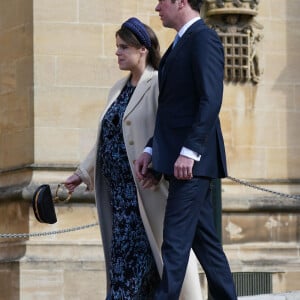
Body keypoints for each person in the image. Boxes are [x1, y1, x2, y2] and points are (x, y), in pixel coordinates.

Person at [64, 17, 203, 300]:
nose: (117, 53)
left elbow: (169, 131)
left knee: (140, 271)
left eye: (123, 47)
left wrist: (158, 165)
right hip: (118, 198)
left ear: (143, 49)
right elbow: (106, 139)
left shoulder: (158, 83)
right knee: (128, 269)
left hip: (146, 193)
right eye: (117, 47)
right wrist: (82, 173)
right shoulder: (116, 89)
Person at [134, 1, 238, 299]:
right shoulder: (180, 43)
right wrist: (153, 151)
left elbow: (210, 99)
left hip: (193, 163)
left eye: (162, 0)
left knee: (175, 244)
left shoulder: (203, 38)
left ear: (181, 1)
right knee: (206, 245)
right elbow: (173, 111)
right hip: (182, 160)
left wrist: (190, 152)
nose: (157, 6)